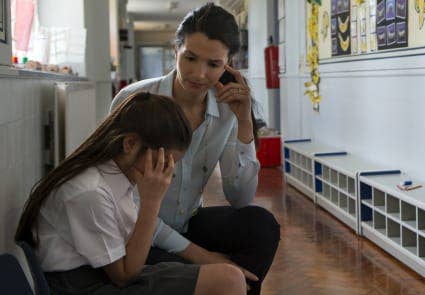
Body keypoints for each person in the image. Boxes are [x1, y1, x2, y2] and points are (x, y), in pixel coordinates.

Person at [110, 3, 280, 294]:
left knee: (261, 224)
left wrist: (243, 122)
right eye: (190, 58)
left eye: (213, 65)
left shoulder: (227, 109)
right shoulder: (134, 100)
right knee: (198, 273)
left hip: (186, 223)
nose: (199, 74)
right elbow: (122, 201)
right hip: (137, 232)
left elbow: (240, 198)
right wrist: (202, 257)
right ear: (175, 50)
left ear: (228, 65)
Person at [15, 92, 248, 294]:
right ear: (130, 144)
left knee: (228, 276)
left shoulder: (116, 175)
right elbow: (124, 275)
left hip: (102, 274)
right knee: (226, 282)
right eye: (163, 161)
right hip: (83, 285)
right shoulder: (90, 192)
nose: (168, 171)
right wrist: (151, 201)